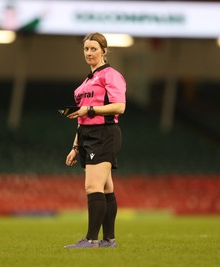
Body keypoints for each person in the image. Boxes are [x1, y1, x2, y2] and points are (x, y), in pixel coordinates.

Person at [63, 32, 126, 249]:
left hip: (104, 133)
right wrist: (74, 146)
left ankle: (90, 240)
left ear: (104, 51)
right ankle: (108, 240)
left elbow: (120, 106)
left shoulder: (111, 75)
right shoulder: (86, 82)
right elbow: (81, 120)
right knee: (106, 188)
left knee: (92, 186)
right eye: (86, 49)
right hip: (87, 135)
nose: (89, 53)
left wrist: (89, 109)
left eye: (93, 49)